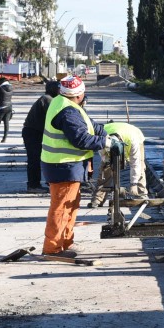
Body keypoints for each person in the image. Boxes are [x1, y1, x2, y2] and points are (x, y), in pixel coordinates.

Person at [40, 75, 115, 258]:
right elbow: (81, 139)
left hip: (67, 166)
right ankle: (53, 248)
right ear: (79, 95)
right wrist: (106, 142)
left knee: (70, 207)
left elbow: (89, 125)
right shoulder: (68, 112)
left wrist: (109, 132)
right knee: (61, 208)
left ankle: (65, 243)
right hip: (63, 166)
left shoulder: (65, 104)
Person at [89, 121, 147, 207]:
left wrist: (133, 183)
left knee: (140, 167)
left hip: (134, 134)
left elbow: (135, 164)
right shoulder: (101, 138)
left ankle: (141, 194)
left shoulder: (133, 140)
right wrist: (108, 161)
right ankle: (98, 199)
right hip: (110, 135)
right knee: (105, 169)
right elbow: (103, 155)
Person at [22, 80, 59, 193]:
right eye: (58, 88)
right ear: (52, 89)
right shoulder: (47, 99)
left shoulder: (49, 99)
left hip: (36, 132)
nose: (60, 91)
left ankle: (38, 183)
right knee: (34, 159)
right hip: (32, 133)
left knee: (40, 158)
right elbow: (56, 117)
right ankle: (33, 185)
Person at [0, 79, 14, 143]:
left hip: (1, 107)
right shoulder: (11, 87)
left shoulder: (1, 88)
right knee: (6, 123)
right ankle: (4, 139)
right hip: (9, 106)